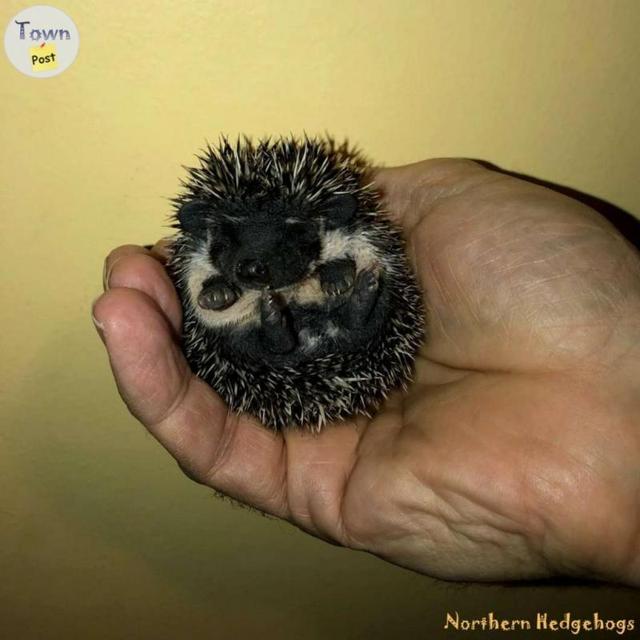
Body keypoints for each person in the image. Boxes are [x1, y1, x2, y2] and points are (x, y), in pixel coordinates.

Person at [92, 158, 640, 586]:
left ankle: (317, 322)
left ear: (332, 220)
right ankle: (271, 333)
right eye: (235, 242)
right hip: (273, 349)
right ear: (205, 233)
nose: (256, 262)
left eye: (287, 238)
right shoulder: (207, 254)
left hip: (339, 332)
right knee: (234, 323)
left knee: (345, 297)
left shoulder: (352, 236)